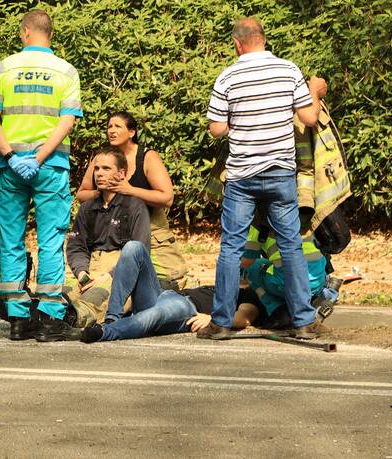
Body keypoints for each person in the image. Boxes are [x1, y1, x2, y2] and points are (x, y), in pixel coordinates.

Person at [202, 17, 327, 340]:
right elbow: (309, 117)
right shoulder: (288, 70)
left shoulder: (228, 76)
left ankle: (221, 323)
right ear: (263, 39)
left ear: (237, 44)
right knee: (290, 245)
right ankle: (303, 321)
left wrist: (241, 121)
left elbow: (216, 129)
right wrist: (314, 90)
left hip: (242, 175)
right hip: (281, 173)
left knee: (231, 247)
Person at [0, 9, 82, 342]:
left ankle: (17, 316)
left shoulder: (3, 69)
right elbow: (66, 122)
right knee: (50, 239)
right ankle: (51, 316)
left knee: (11, 238)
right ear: (49, 34)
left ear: (25, 32)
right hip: (50, 166)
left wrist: (12, 156)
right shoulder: (66, 71)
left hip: (11, 167)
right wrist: (39, 157)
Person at [76, 111, 188, 287]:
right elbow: (82, 194)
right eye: (109, 126)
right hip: (114, 232)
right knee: (107, 282)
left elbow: (167, 198)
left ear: (131, 132)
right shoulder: (102, 158)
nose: (111, 130)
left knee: (169, 282)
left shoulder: (147, 157)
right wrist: (101, 192)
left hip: (152, 230)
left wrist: (128, 190)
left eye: (117, 126)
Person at [78, 239, 265, 343]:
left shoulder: (249, 294)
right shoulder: (219, 285)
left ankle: (105, 332)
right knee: (134, 247)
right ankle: (113, 318)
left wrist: (214, 319)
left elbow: (244, 317)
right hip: (166, 295)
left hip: (185, 309)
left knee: (155, 314)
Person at [64, 147, 153, 331]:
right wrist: (82, 273)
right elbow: (76, 245)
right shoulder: (87, 208)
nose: (99, 174)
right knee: (63, 294)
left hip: (120, 271)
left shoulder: (135, 206)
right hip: (91, 268)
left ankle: (73, 318)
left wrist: (109, 275)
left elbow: (140, 251)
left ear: (121, 174)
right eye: (97, 169)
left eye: (106, 168)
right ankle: (38, 312)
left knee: (96, 297)